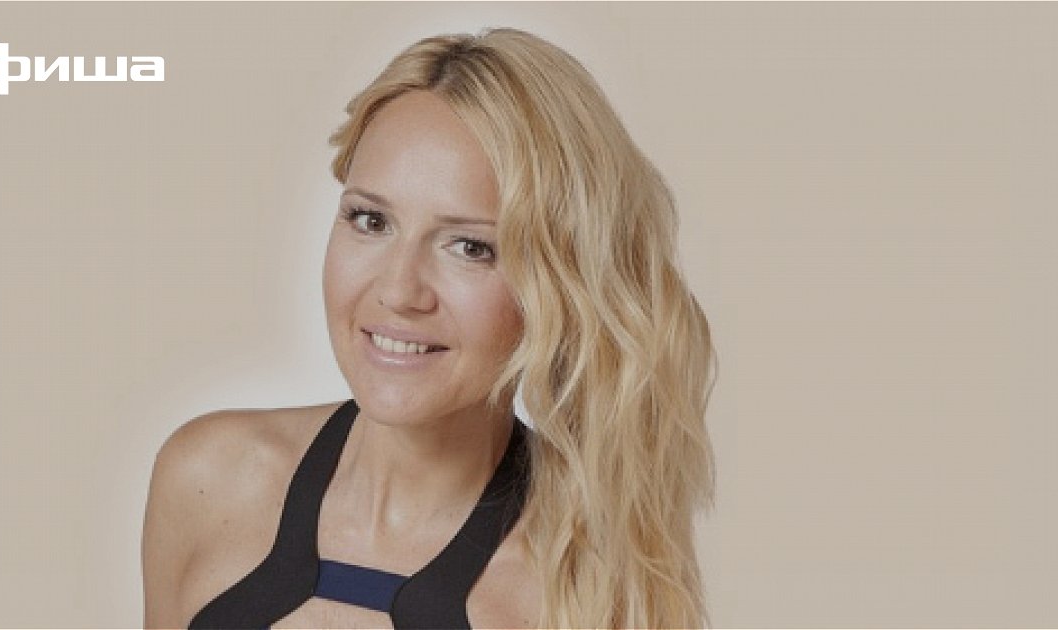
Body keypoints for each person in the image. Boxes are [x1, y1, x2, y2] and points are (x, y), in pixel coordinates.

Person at [142, 27, 716, 629]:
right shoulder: (208, 479)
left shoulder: (585, 589)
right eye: (371, 220)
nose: (398, 290)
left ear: (558, 283)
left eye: (470, 246)